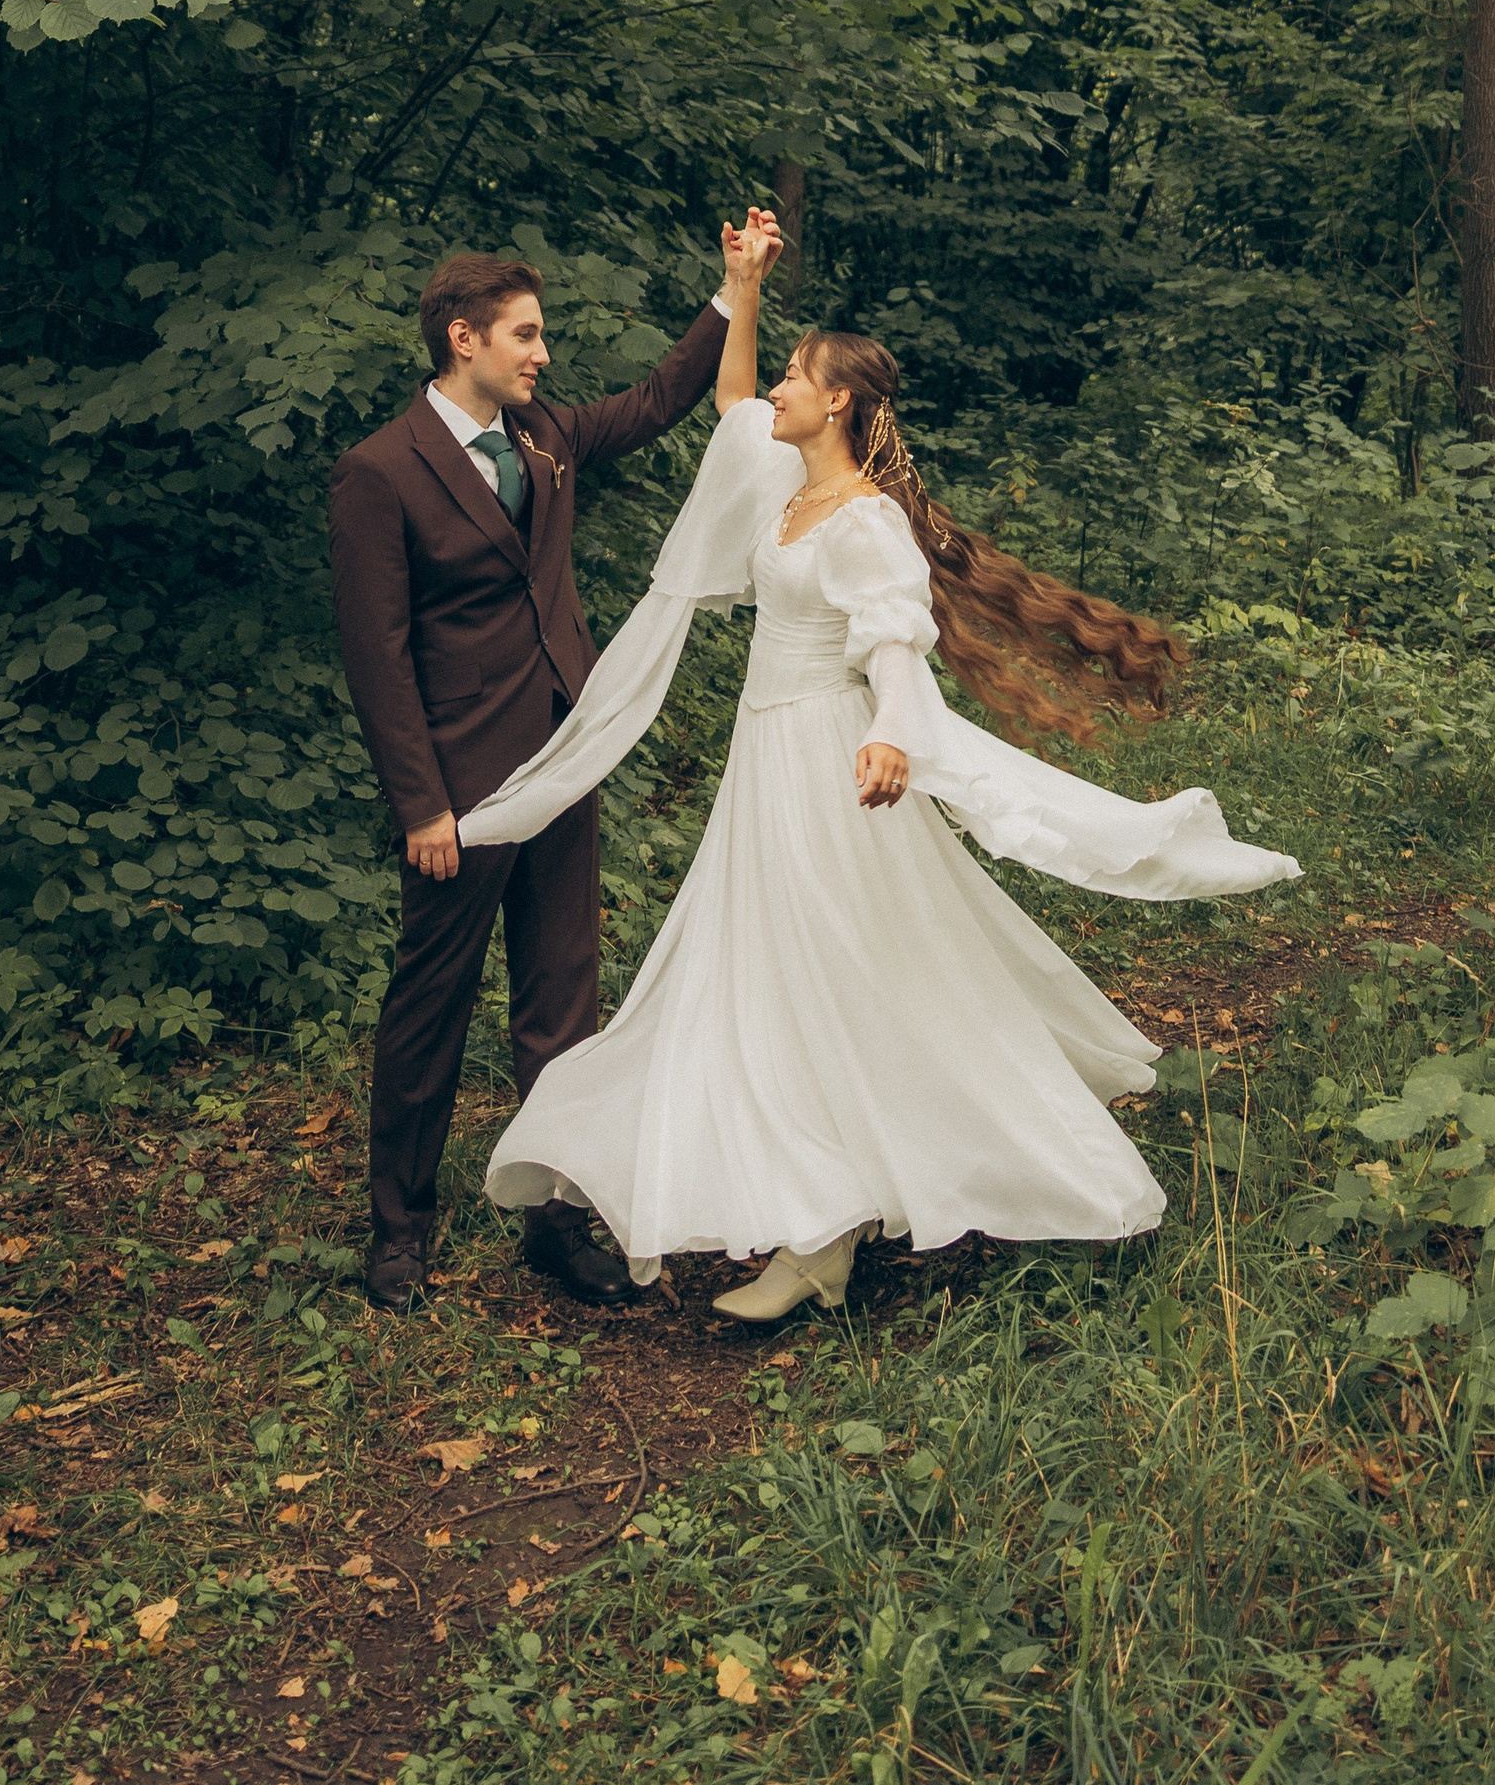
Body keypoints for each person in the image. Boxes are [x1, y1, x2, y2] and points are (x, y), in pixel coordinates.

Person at [456, 331, 1299, 1321]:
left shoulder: (863, 525)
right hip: (762, 763)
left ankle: (836, 1230)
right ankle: (817, 1222)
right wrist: (746, 291)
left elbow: (893, 648)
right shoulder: (784, 486)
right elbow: (735, 407)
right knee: (764, 973)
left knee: (842, 970)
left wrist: (893, 735)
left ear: (841, 404)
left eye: (795, 377)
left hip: (831, 764)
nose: (777, 388)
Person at [329, 214, 780, 1313]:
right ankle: (399, 1231)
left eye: (540, 338)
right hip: (463, 792)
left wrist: (731, 290)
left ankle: (557, 1220)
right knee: (430, 1004)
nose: (541, 356)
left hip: (565, 755)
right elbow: (377, 658)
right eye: (524, 337)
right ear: (462, 337)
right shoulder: (378, 473)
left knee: (560, 1002)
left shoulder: (543, 438)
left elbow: (660, 400)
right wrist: (422, 806)